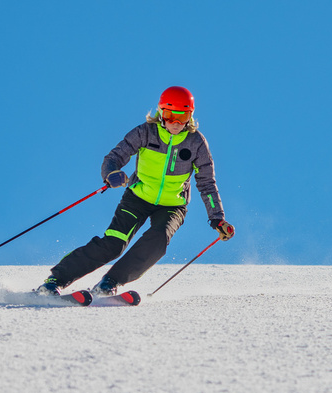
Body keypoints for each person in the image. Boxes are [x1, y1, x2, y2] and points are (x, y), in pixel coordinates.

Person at [37, 86, 234, 296]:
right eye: (170, 115)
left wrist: (217, 218)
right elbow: (113, 158)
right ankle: (55, 280)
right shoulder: (145, 133)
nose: (175, 123)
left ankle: (110, 282)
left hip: (172, 205)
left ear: (190, 117)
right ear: (161, 113)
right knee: (113, 244)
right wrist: (111, 173)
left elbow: (206, 183)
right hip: (137, 198)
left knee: (158, 241)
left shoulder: (196, 143)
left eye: (182, 116)